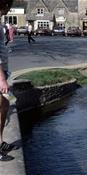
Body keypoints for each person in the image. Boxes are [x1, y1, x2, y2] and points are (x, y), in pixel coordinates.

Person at [0, 0, 18, 161]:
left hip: (3, 72)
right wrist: (2, 80)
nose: (9, 9)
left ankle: (0, 142)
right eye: (8, 5)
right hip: (0, 75)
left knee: (5, 106)